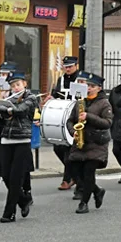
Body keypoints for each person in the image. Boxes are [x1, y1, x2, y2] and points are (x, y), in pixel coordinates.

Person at [66, 72, 112, 214]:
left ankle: (84, 203)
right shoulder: (80, 102)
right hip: (80, 142)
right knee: (73, 169)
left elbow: (107, 123)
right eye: (87, 85)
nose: (89, 88)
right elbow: (70, 120)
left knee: (88, 172)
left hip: (96, 143)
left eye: (92, 86)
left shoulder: (104, 103)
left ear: (99, 88)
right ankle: (97, 191)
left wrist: (89, 116)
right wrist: (72, 130)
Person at [0, 72, 38, 223]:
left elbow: (20, 111)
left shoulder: (30, 98)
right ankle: (23, 200)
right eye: (12, 86)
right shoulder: (9, 99)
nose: (15, 88)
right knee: (5, 175)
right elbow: (2, 120)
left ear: (24, 84)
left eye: (18, 84)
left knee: (15, 179)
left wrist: (6, 108)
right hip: (6, 140)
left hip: (22, 141)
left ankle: (9, 213)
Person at [49, 56, 80, 191]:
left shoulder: (81, 79)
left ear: (76, 66)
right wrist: (52, 98)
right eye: (66, 67)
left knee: (70, 150)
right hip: (61, 116)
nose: (67, 69)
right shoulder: (61, 80)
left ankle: (67, 179)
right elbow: (55, 94)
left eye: (70, 66)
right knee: (58, 148)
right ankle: (75, 174)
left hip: (75, 117)